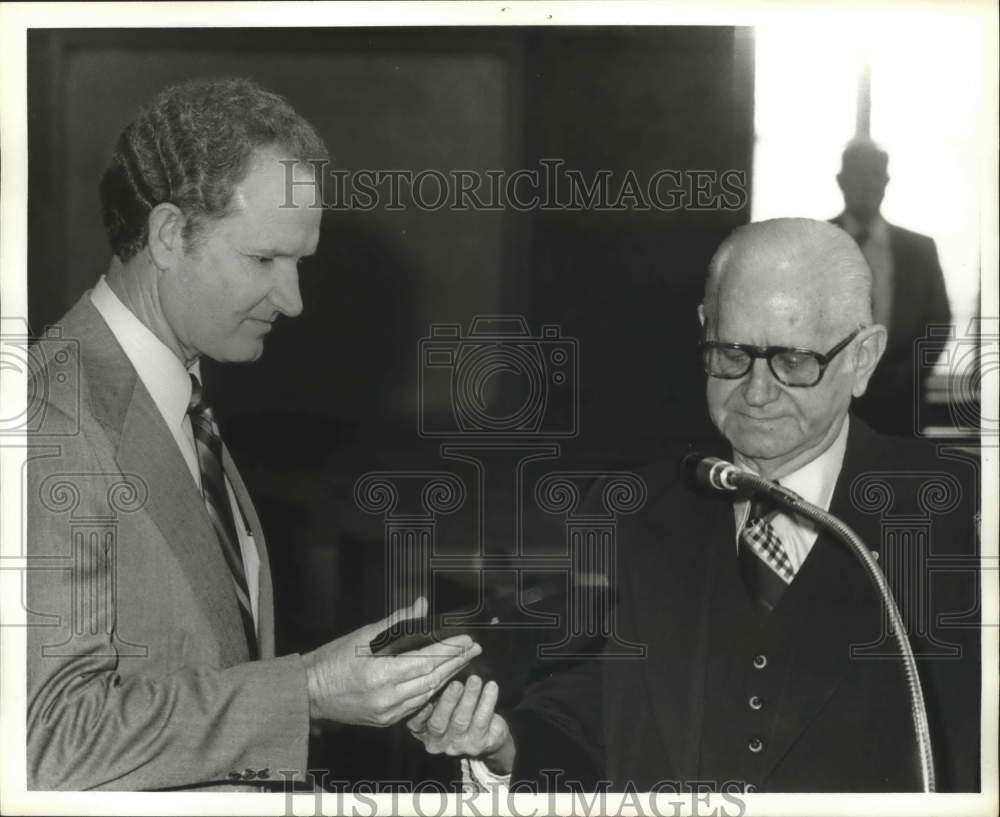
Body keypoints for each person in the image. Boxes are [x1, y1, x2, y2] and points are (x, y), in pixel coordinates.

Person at [406, 218, 980, 792]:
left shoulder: (963, 520)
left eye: (794, 362)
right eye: (731, 353)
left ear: (863, 358)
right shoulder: (640, 511)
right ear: (705, 329)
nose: (756, 392)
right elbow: (591, 717)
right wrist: (503, 747)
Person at [26, 78, 480, 791]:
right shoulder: (46, 413)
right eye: (264, 260)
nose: (293, 301)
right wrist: (307, 691)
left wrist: (346, 692)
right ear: (169, 235)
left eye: (300, 263)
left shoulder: (180, 402)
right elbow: (49, 744)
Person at [831, 138, 952, 436]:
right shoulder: (817, 242)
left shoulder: (919, 249)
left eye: (874, 174)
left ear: (886, 181)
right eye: (857, 174)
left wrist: (906, 376)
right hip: (832, 402)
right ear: (841, 181)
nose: (866, 184)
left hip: (902, 405)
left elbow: (938, 322)